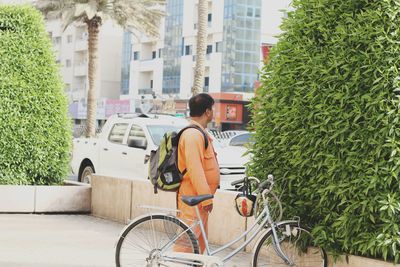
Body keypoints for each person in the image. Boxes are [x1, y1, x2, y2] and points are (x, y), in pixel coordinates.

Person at [174, 93, 220, 254]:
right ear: (207, 111)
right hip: (193, 198)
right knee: (186, 245)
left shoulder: (199, 133)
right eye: (212, 109)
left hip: (198, 199)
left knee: (198, 246)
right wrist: (206, 197)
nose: (213, 113)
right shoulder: (192, 134)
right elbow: (195, 169)